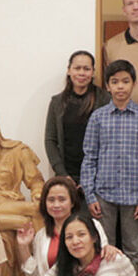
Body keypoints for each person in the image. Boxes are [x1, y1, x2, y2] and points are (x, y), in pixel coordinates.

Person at [81, 59, 138, 263]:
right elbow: (89, 157)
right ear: (107, 86)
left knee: (133, 250)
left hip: (133, 196)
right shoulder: (98, 117)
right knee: (103, 247)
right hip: (103, 195)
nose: (120, 86)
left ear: (133, 83)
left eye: (125, 81)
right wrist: (90, 195)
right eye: (115, 82)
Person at [18, 176, 116, 276]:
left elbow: (105, 260)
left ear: (72, 202)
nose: (56, 205)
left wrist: (109, 249)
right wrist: (23, 247)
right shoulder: (41, 236)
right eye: (51, 200)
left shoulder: (93, 225)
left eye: (62, 199)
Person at [44, 51, 109, 182]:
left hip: (98, 178)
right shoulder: (57, 102)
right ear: (69, 71)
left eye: (86, 69)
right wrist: (62, 173)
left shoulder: (105, 100)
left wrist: (94, 176)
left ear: (93, 72)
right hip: (66, 177)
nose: (81, 73)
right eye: (77, 68)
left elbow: (110, 141)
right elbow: (50, 140)